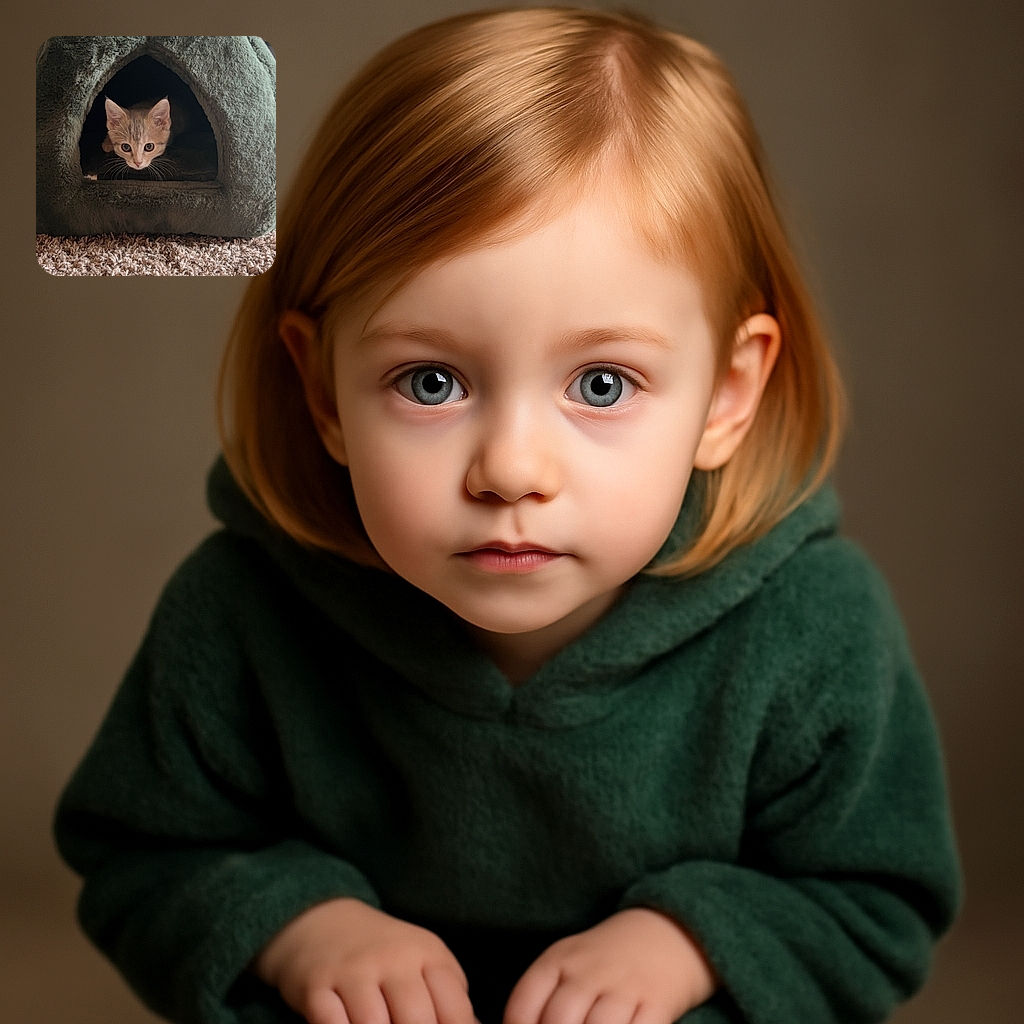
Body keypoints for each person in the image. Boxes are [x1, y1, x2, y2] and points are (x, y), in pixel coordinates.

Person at [54, 8, 961, 1024]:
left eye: (604, 384)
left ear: (725, 394)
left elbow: (875, 903)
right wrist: (296, 924)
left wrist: (695, 938)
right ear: (323, 393)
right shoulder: (239, 616)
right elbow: (141, 859)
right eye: (431, 381)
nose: (512, 469)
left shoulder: (814, 630)